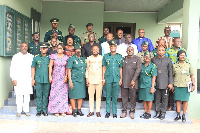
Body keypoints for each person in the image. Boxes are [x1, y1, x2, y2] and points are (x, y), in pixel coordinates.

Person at [10, 42, 34, 117]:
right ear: (20, 47)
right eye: (22, 46)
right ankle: (19, 111)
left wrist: (33, 79)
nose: (24, 48)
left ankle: (26, 111)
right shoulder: (16, 56)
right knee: (19, 95)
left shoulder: (31, 56)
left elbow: (33, 69)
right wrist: (13, 78)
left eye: (25, 46)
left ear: (27, 47)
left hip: (27, 78)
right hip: (18, 78)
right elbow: (12, 68)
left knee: (27, 95)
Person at [165, 38, 188, 111]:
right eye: (177, 41)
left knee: (178, 89)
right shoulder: (168, 50)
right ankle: (171, 105)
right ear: (173, 42)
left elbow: (186, 61)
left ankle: (177, 106)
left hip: (180, 72)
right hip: (170, 71)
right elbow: (165, 60)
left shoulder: (183, 50)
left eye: (180, 41)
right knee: (171, 89)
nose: (179, 43)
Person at [151, 45, 173, 120]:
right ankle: (157, 112)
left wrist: (170, 83)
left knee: (165, 98)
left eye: (162, 50)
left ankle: (163, 113)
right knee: (157, 98)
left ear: (164, 51)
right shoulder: (153, 59)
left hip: (165, 82)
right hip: (157, 82)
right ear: (157, 52)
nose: (161, 52)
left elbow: (170, 72)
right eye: (159, 50)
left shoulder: (168, 60)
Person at [173, 50, 195, 122]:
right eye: (181, 55)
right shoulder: (174, 65)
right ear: (178, 56)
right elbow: (172, 76)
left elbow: (192, 75)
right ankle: (178, 114)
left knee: (185, 100)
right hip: (177, 85)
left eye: (184, 55)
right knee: (178, 100)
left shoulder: (189, 65)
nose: (183, 57)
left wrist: (193, 85)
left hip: (186, 85)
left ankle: (184, 115)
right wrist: (172, 85)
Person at [102, 40, 123, 118]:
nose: (113, 47)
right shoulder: (106, 56)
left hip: (116, 78)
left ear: (116, 47)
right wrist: (103, 78)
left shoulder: (119, 56)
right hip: (108, 78)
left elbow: (121, 68)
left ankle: (114, 112)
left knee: (115, 96)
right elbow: (104, 68)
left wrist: (121, 79)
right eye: (111, 46)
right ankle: (107, 112)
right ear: (109, 47)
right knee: (108, 96)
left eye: (114, 46)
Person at [120, 46, 142, 119]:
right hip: (124, 81)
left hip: (133, 82)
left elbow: (138, 70)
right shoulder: (124, 59)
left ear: (134, 51)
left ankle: (132, 112)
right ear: (126, 51)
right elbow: (120, 69)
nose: (130, 51)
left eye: (131, 50)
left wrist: (133, 80)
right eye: (128, 50)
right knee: (124, 98)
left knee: (133, 98)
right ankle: (124, 111)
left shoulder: (137, 59)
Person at [48, 43, 69, 117]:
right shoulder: (53, 56)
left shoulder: (66, 57)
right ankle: (55, 110)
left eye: (60, 48)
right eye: (58, 48)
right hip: (55, 77)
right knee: (55, 94)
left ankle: (62, 110)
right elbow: (50, 66)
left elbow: (67, 67)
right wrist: (50, 76)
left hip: (62, 77)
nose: (58, 49)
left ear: (63, 50)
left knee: (62, 94)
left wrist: (66, 76)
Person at [66, 45, 87, 117]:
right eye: (77, 49)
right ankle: (74, 110)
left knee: (80, 95)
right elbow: (68, 70)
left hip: (81, 80)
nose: (78, 51)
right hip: (74, 79)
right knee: (73, 95)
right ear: (74, 51)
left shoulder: (83, 59)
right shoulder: (71, 59)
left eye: (79, 49)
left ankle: (79, 110)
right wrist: (70, 81)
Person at [31, 43, 50, 116]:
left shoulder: (50, 58)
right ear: (40, 49)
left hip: (47, 79)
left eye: (45, 48)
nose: (43, 49)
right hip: (38, 79)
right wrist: (33, 79)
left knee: (45, 95)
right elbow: (33, 68)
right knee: (38, 95)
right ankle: (39, 110)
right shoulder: (36, 58)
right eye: (42, 48)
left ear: (47, 49)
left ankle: (44, 110)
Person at [86, 46, 103, 117]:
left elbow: (103, 69)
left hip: (99, 80)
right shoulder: (89, 58)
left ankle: (98, 111)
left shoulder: (102, 58)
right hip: (91, 80)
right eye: (94, 49)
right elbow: (87, 69)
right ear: (91, 50)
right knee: (91, 96)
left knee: (98, 96)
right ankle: (91, 111)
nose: (95, 51)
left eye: (97, 49)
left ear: (98, 50)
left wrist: (103, 79)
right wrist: (87, 78)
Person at [139, 51, 157, 119]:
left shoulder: (153, 66)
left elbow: (154, 77)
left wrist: (152, 87)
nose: (146, 58)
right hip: (142, 84)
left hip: (149, 84)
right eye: (145, 57)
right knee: (144, 99)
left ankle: (148, 112)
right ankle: (145, 112)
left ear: (150, 58)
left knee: (149, 99)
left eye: (148, 57)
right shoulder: (142, 65)